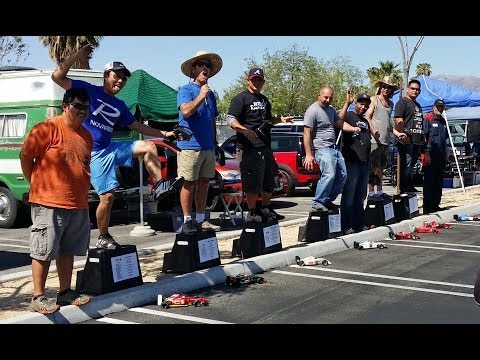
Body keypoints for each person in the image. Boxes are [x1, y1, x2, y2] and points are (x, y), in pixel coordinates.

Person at [51, 44, 179, 249]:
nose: (120, 80)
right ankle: (103, 235)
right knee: (108, 197)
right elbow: (57, 77)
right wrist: (77, 55)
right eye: (116, 75)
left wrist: (164, 134)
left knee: (149, 146)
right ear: (105, 76)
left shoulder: (120, 105)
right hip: (92, 153)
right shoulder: (88, 90)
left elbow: (137, 126)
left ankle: (160, 186)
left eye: (123, 77)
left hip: (111, 148)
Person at [20, 88, 93, 315]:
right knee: (43, 250)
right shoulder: (47, 129)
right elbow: (25, 156)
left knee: (67, 250)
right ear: (65, 105)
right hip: (48, 201)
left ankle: (65, 292)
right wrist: (34, 181)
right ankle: (38, 296)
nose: (82, 112)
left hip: (77, 203)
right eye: (77, 107)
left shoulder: (86, 136)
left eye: (85, 108)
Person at [226, 68, 293, 223]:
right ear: (248, 80)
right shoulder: (240, 99)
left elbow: (268, 120)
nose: (257, 82)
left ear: (263, 81)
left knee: (269, 179)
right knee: (251, 180)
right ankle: (252, 211)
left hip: (265, 145)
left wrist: (280, 120)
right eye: (254, 79)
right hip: (249, 147)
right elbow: (231, 120)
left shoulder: (264, 100)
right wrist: (244, 130)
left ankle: (266, 208)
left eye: (260, 80)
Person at [176, 50, 224, 235]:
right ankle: (188, 220)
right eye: (201, 64)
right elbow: (186, 112)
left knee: (204, 183)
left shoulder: (211, 95)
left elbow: (211, 119)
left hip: (207, 146)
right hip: (190, 146)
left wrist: (215, 143)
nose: (205, 68)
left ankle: (201, 218)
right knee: (189, 183)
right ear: (193, 70)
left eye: (208, 66)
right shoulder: (186, 90)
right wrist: (201, 95)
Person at [303, 86, 361, 212]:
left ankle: (327, 201)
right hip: (322, 148)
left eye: (330, 98)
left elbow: (339, 122)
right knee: (329, 174)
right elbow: (306, 133)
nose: (328, 100)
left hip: (333, 148)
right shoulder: (313, 111)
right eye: (325, 97)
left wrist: (352, 128)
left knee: (343, 175)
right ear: (319, 95)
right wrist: (308, 154)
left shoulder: (330, 110)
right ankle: (318, 202)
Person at [365, 76, 407, 200]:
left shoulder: (390, 104)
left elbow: (388, 123)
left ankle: (379, 191)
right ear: (380, 87)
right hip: (374, 140)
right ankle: (371, 192)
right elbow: (367, 116)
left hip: (385, 140)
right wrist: (373, 130)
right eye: (384, 87)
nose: (386, 89)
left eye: (388, 87)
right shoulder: (374, 100)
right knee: (373, 167)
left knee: (381, 167)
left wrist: (397, 133)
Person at [340, 94, 372, 235]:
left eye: (366, 105)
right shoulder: (349, 115)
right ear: (356, 103)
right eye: (361, 104)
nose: (363, 107)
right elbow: (339, 120)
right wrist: (347, 103)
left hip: (364, 163)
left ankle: (359, 223)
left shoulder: (365, 120)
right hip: (351, 162)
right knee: (349, 195)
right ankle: (346, 225)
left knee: (360, 196)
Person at [394, 79, 426, 193]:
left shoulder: (417, 105)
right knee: (406, 165)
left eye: (417, 90)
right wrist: (404, 135)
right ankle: (404, 188)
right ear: (408, 89)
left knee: (412, 165)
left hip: (417, 140)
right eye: (412, 88)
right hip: (406, 140)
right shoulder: (403, 102)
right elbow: (398, 119)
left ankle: (409, 186)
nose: (415, 91)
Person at [423, 98, 449, 213]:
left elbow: (445, 140)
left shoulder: (443, 122)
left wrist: (446, 154)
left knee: (438, 182)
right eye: (438, 107)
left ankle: (435, 204)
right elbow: (424, 137)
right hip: (430, 155)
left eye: (441, 107)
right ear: (434, 107)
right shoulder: (428, 118)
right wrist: (426, 153)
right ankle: (427, 206)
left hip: (440, 156)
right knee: (429, 181)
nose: (439, 109)